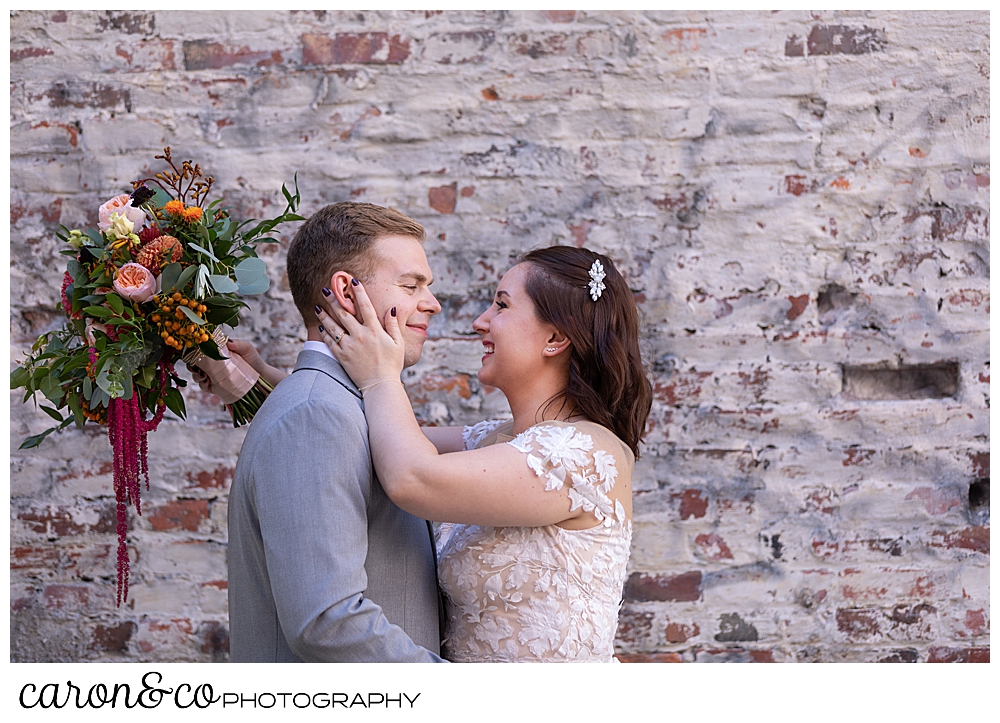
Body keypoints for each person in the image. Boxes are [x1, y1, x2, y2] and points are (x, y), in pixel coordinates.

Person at [312, 246, 653, 661]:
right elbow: (362, 431)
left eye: (501, 305)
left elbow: (411, 477)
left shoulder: (581, 455)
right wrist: (251, 383)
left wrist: (381, 374)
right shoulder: (498, 440)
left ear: (556, 338)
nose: (480, 322)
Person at [222, 202, 446, 662]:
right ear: (346, 291)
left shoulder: (342, 405)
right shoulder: (315, 417)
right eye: (411, 285)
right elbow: (327, 621)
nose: (432, 302)